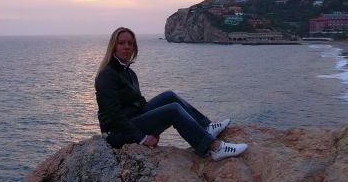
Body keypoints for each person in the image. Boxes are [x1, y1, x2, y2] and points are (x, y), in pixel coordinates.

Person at [95, 27, 248, 161]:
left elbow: (140, 103)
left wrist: (155, 121)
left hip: (132, 121)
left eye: (130, 43)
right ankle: (214, 147)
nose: (127, 47)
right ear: (113, 46)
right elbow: (113, 115)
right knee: (173, 110)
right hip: (116, 133)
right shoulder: (107, 75)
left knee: (169, 96)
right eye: (121, 43)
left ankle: (206, 127)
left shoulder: (129, 73)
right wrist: (142, 138)